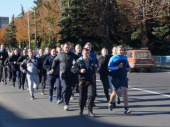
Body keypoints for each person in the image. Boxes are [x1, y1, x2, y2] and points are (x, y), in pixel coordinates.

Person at [51, 43, 78, 111]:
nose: (67, 49)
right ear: (63, 48)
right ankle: (65, 104)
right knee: (65, 87)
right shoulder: (60, 55)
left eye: (68, 47)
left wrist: (76, 64)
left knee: (69, 89)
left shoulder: (73, 55)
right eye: (66, 47)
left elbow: (79, 59)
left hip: (71, 74)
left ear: (70, 48)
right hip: (63, 74)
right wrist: (53, 68)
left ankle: (66, 100)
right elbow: (55, 61)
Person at [71, 48, 96, 117]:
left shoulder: (91, 60)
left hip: (90, 80)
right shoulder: (79, 60)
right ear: (82, 53)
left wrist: (95, 70)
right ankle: (81, 110)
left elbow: (94, 68)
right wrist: (80, 70)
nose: (87, 54)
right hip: (82, 80)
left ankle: (90, 111)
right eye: (85, 53)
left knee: (91, 95)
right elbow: (73, 69)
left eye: (88, 53)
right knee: (82, 96)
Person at [108, 45, 131, 114]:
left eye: (123, 50)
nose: (121, 51)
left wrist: (129, 68)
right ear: (117, 51)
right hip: (116, 77)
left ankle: (126, 108)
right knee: (115, 92)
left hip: (123, 77)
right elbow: (109, 68)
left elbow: (127, 64)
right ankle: (110, 102)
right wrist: (117, 67)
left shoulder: (125, 57)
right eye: (120, 50)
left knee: (125, 91)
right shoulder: (113, 58)